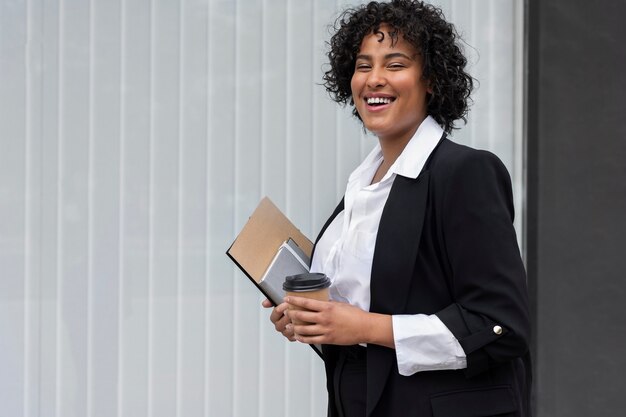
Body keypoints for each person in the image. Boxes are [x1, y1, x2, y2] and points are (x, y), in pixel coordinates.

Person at [262, 1, 531, 416]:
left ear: (431, 80)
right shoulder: (363, 184)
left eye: (396, 64)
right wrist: (312, 320)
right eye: (363, 65)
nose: (374, 80)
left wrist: (365, 327)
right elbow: (363, 310)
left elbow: (500, 327)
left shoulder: (463, 173)